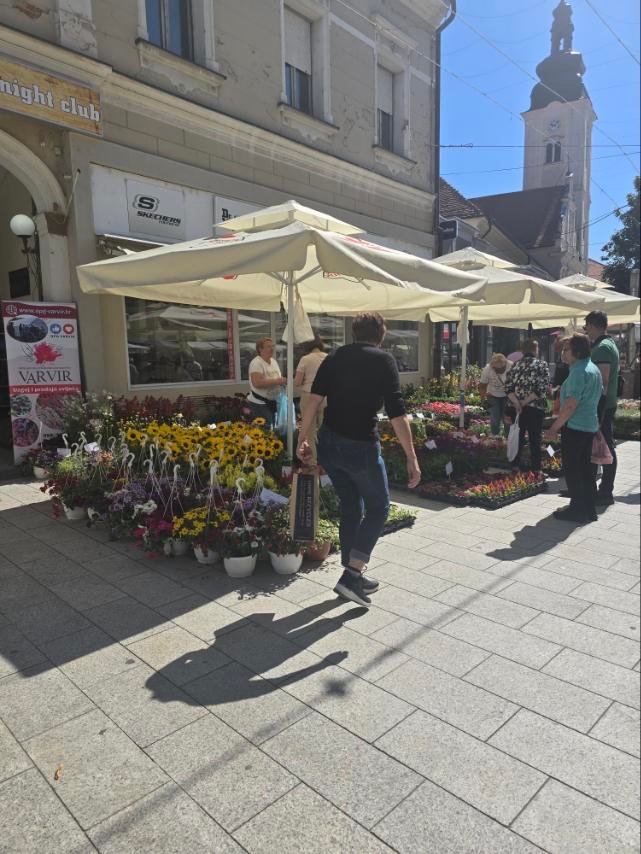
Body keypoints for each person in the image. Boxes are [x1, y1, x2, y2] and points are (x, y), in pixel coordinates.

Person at [296, 312, 421, 608]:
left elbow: (313, 401)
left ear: (354, 333)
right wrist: (411, 457)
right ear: (381, 333)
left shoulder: (334, 357)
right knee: (379, 507)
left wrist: (301, 438)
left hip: (329, 443)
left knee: (351, 506)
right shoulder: (384, 360)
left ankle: (352, 572)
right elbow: (397, 414)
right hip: (360, 446)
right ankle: (352, 575)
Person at [544, 333, 602, 523]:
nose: (563, 352)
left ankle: (577, 509)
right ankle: (588, 509)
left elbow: (570, 406)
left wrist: (554, 428)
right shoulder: (592, 368)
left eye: (566, 349)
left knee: (573, 469)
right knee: (586, 469)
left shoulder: (578, 372)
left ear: (577, 351)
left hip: (575, 427)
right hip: (589, 425)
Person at [584, 310, 620, 505]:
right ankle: (601, 489)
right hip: (606, 403)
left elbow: (602, 381)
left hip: (602, 405)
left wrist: (596, 408)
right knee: (605, 445)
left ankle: (606, 492)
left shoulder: (603, 347)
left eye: (586, 327)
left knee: (606, 446)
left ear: (592, 325)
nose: (586, 331)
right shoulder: (608, 343)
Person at [505, 339, 550, 472]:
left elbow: (508, 388)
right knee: (535, 439)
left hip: (516, 408)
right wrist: (524, 402)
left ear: (523, 351)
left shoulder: (515, 365)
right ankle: (535, 469)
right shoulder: (541, 365)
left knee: (517, 437)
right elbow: (541, 389)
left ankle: (515, 466)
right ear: (535, 349)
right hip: (535, 407)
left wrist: (517, 403)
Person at [294, 335, 327, 466]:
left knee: (309, 432)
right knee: (326, 431)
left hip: (309, 396)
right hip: (326, 397)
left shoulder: (305, 359)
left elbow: (297, 382)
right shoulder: (328, 357)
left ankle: (312, 463)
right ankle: (326, 464)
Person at [246, 337, 286, 427]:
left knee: (273, 427)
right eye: (268, 346)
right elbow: (257, 383)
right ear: (260, 349)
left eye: (272, 346)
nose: (272, 349)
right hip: (260, 403)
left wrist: (282, 380)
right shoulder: (256, 363)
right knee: (267, 428)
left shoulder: (274, 361)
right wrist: (276, 381)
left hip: (274, 401)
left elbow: (277, 377)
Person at [479, 353, 512, 436]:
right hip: (492, 395)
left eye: (501, 369)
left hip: (508, 396)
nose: (499, 371)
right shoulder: (488, 369)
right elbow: (482, 385)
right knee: (495, 417)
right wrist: (483, 399)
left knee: (507, 417)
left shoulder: (511, 367)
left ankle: (508, 436)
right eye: (496, 369)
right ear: (493, 366)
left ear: (505, 365)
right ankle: (495, 436)